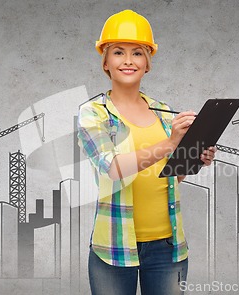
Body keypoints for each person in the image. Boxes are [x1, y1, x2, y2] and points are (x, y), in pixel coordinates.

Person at [77, 9, 216, 295]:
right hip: (114, 249)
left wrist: (194, 160)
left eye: (137, 53)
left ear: (148, 62)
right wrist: (169, 144)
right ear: (106, 61)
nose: (128, 61)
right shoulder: (93, 113)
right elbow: (112, 167)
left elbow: (170, 179)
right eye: (118, 52)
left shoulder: (164, 112)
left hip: (168, 248)